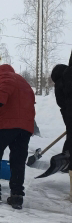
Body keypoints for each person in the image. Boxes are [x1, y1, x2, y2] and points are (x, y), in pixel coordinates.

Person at [0, 64, 35, 210]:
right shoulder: (23, 81)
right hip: (25, 127)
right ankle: (17, 196)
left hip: (6, 124)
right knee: (18, 160)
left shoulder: (5, 75)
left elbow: (5, 86)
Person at [50, 50, 72, 201]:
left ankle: (67, 160)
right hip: (68, 111)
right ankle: (67, 160)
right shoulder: (66, 78)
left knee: (70, 138)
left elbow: (61, 103)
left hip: (68, 112)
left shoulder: (60, 82)